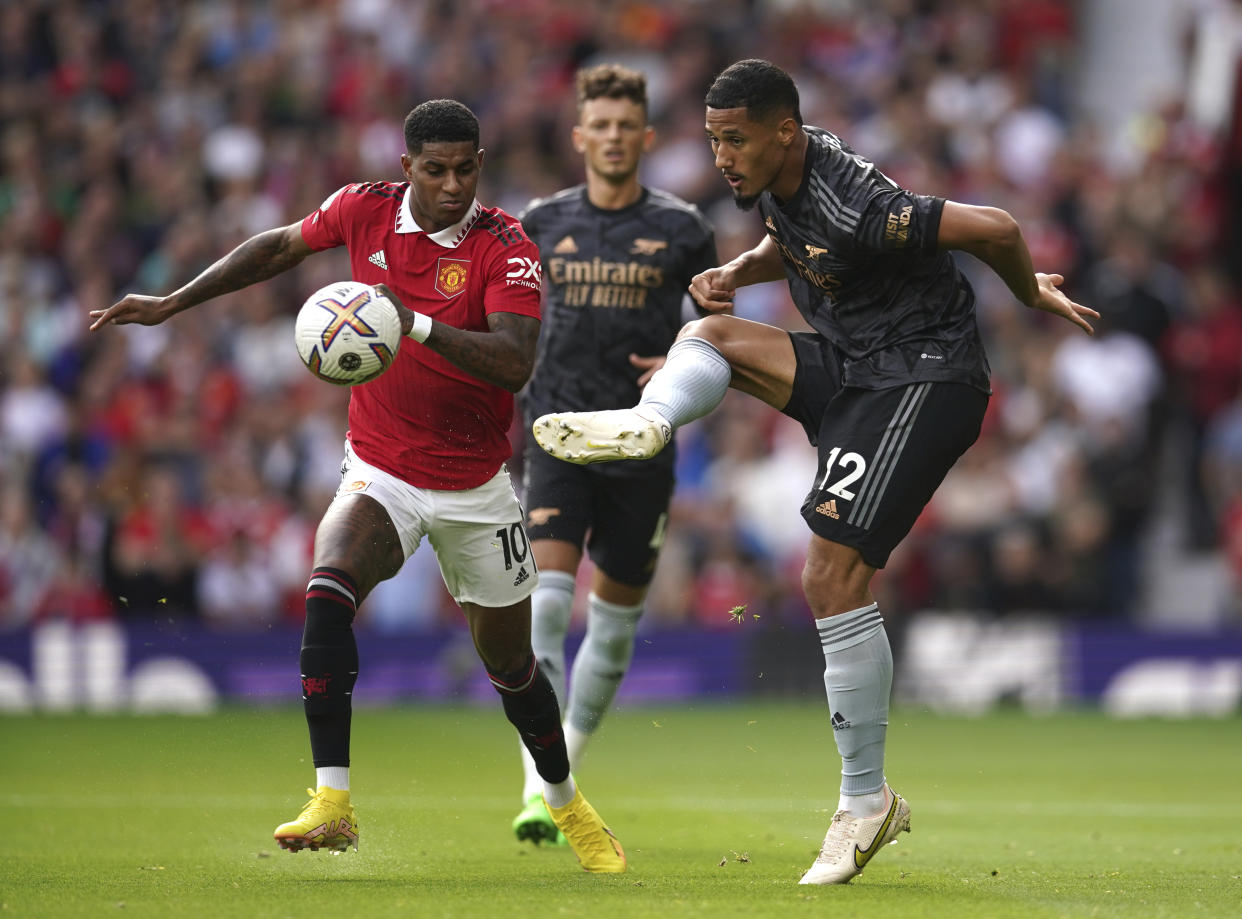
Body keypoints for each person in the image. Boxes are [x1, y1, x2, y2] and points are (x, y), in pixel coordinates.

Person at [532, 60, 1098, 884]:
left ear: (784, 133)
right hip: (857, 363)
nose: (722, 157)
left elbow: (999, 229)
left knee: (830, 576)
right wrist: (740, 271)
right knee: (715, 332)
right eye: (713, 140)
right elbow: (790, 238)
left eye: (736, 140)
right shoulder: (782, 174)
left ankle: (866, 803)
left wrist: (1030, 292)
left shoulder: (862, 205)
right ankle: (646, 424)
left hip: (925, 375)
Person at [89, 99, 625, 874]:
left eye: (466, 168)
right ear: (406, 167)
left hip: (477, 488)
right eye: (435, 170)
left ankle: (568, 802)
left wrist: (414, 322)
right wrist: (175, 301)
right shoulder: (361, 209)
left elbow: (515, 361)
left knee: (511, 666)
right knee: (328, 580)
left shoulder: (506, 247)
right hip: (383, 468)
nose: (452, 185)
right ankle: (332, 799)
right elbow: (277, 247)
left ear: (481, 163)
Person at [510, 64, 718, 845]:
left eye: (626, 125)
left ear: (647, 137)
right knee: (549, 602)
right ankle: (544, 788)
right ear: (579, 136)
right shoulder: (539, 220)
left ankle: (569, 762)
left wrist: (681, 356)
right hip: (558, 432)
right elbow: (508, 315)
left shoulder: (684, 228)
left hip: (640, 439)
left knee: (616, 623)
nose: (613, 137)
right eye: (599, 124)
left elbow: (717, 328)